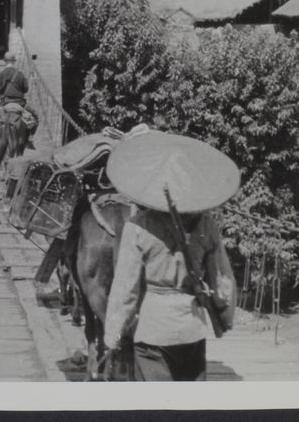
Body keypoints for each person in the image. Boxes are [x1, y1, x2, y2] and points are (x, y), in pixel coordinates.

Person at [102, 132, 238, 382]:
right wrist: (225, 316)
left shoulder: (138, 227)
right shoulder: (206, 224)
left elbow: (125, 291)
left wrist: (112, 337)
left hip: (153, 331)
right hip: (192, 330)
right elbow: (222, 281)